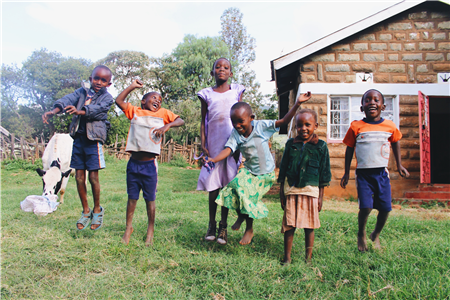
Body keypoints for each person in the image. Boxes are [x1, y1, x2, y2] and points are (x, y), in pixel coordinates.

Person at [205, 91, 312, 245]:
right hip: (249, 171)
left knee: (248, 195)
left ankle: (249, 229)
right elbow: (228, 149)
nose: (237, 125)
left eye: (241, 121)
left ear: (251, 118)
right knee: (231, 188)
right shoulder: (236, 134)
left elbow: (283, 122)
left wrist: (297, 103)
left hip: (265, 174)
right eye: (233, 121)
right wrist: (214, 159)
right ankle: (241, 214)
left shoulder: (261, 126)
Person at [42, 65, 114, 231]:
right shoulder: (81, 92)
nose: (99, 82)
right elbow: (67, 100)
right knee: (79, 177)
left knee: (93, 177)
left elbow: (99, 111)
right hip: (78, 139)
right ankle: (86, 210)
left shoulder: (107, 98)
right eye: (96, 78)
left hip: (94, 139)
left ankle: (97, 209)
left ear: (108, 84)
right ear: (91, 79)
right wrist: (54, 111)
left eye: (104, 80)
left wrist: (80, 111)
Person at [115, 79, 184, 246]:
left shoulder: (163, 114)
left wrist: (167, 126)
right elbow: (118, 101)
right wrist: (132, 86)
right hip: (133, 164)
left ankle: (150, 231)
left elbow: (180, 121)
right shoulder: (134, 111)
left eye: (160, 100)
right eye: (154, 98)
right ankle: (128, 228)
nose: (158, 101)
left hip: (149, 165)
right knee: (132, 198)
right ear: (143, 101)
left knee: (150, 199)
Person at [340, 89, 410, 252]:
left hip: (381, 174)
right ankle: (361, 233)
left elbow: (396, 142)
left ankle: (376, 234)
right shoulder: (356, 126)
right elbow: (349, 149)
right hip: (363, 174)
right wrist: (346, 172)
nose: (372, 102)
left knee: (385, 208)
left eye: (376, 100)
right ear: (362, 107)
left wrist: (399, 165)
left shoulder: (390, 126)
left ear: (383, 106)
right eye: (367, 100)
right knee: (366, 207)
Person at [197, 58, 245, 245]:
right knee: (213, 185)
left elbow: (242, 116)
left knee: (226, 186)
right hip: (214, 144)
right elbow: (204, 120)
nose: (222, 70)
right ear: (212, 72)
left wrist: (241, 143)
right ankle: (211, 223)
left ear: (231, 73)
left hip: (231, 144)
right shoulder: (207, 94)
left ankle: (223, 227)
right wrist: (203, 143)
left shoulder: (236, 91)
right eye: (218, 67)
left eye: (226, 67)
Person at [278, 109, 331, 264]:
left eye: (307, 124)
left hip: (311, 191)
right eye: (299, 125)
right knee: (289, 224)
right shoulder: (290, 144)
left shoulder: (321, 146)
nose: (303, 128)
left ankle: (308, 259)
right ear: (295, 127)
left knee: (310, 226)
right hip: (292, 189)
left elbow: (324, 173)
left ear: (316, 126)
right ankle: (287, 257)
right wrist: (282, 192)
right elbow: (283, 168)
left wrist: (320, 197)